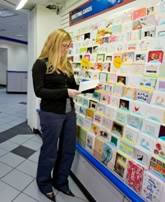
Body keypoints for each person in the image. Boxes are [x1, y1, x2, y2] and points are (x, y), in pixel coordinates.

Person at [32, 29, 80, 201]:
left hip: (69, 113)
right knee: (50, 150)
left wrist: (86, 87)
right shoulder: (41, 64)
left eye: (68, 46)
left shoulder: (66, 64)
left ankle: (61, 181)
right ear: (54, 43)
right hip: (51, 113)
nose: (66, 49)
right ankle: (44, 182)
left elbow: (73, 86)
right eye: (63, 45)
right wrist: (65, 92)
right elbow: (39, 91)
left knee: (68, 149)